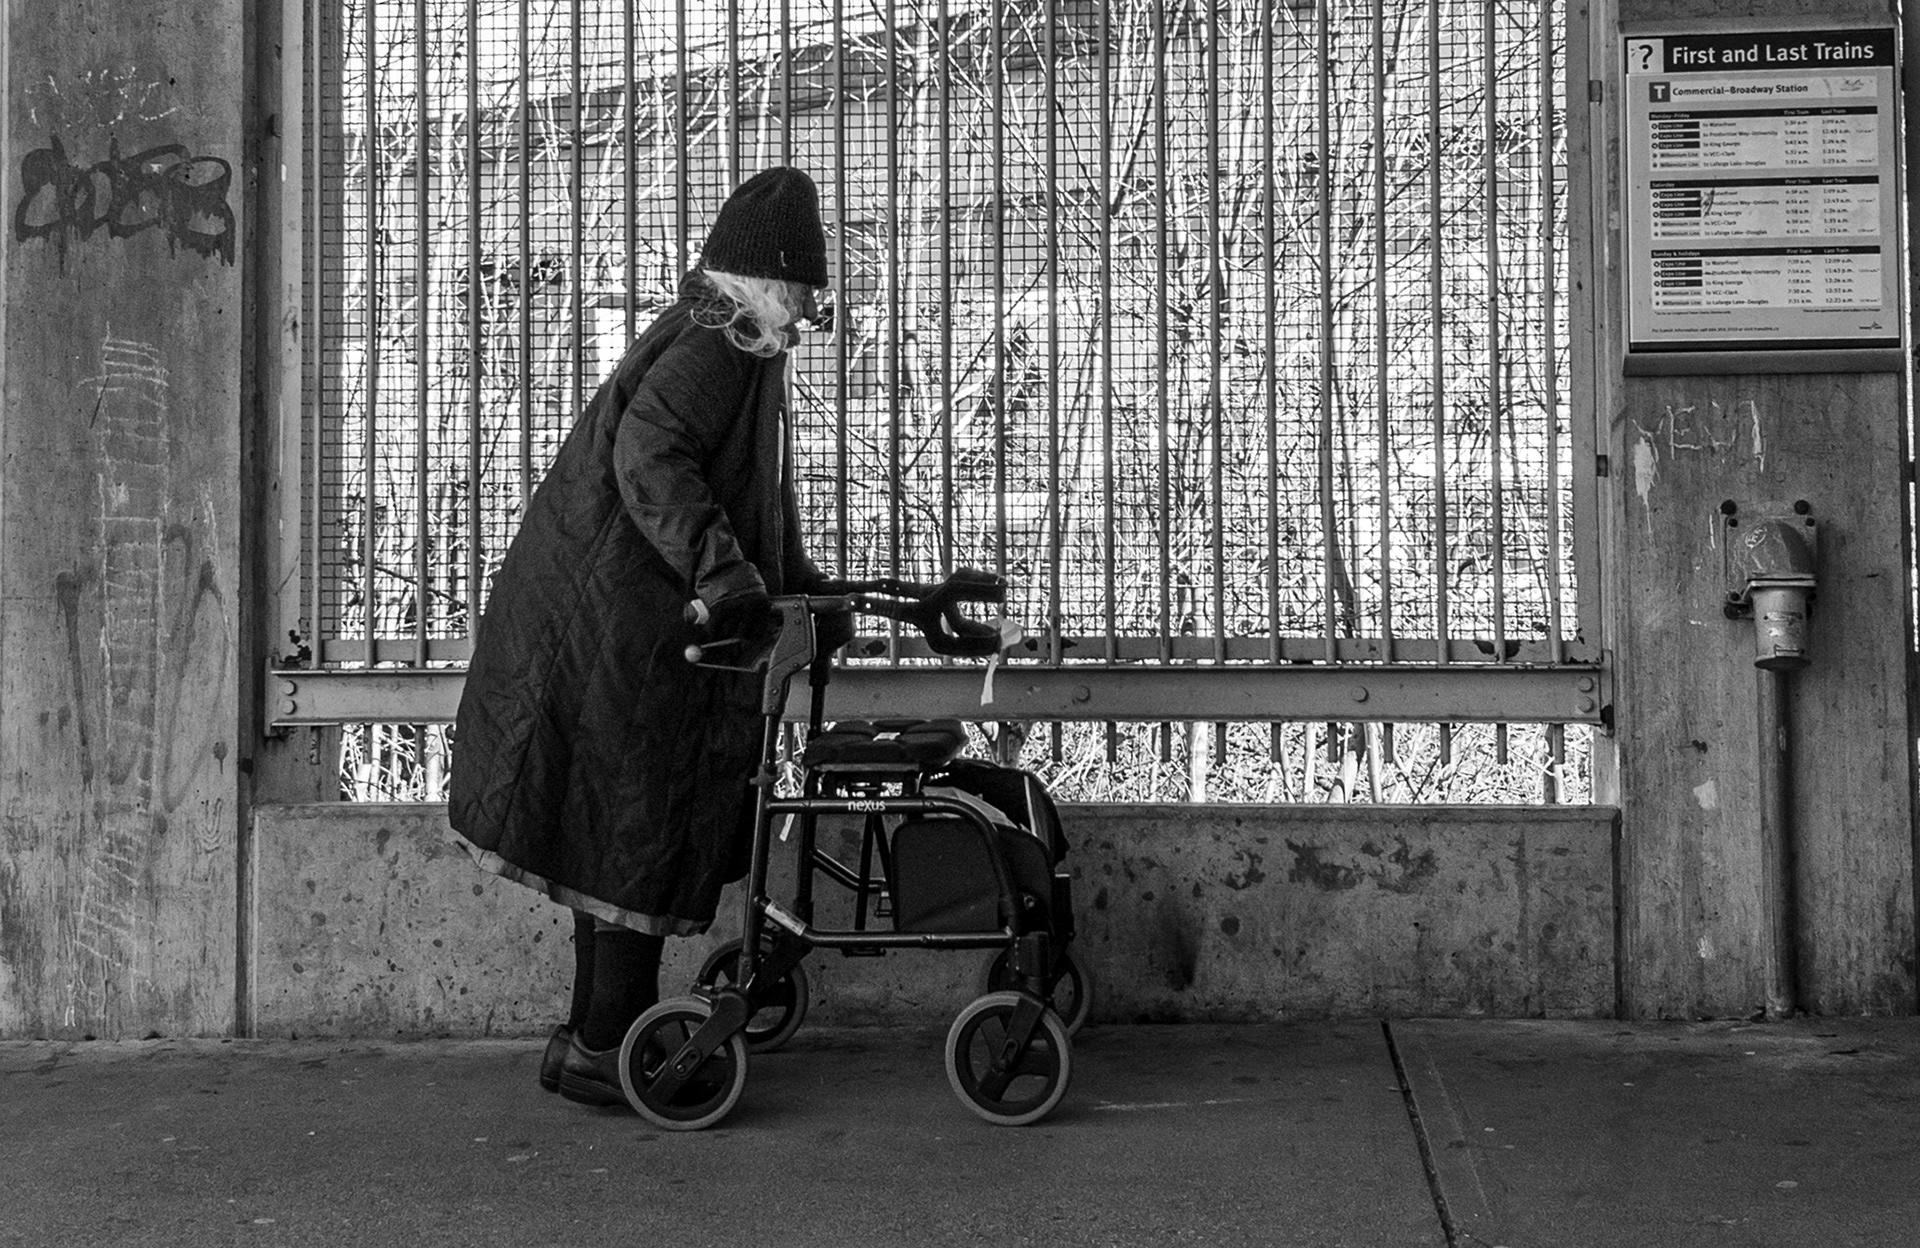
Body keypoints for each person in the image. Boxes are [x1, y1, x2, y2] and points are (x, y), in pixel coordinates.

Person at [448, 167, 842, 1107]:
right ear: (771, 281)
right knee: (637, 828)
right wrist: (722, 574)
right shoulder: (717, 348)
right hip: (626, 630)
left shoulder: (728, 341)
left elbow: (752, 495)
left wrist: (801, 591)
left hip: (618, 624)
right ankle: (607, 1044)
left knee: (612, 831)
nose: (809, 309)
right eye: (803, 288)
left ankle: (591, 1041)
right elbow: (650, 454)